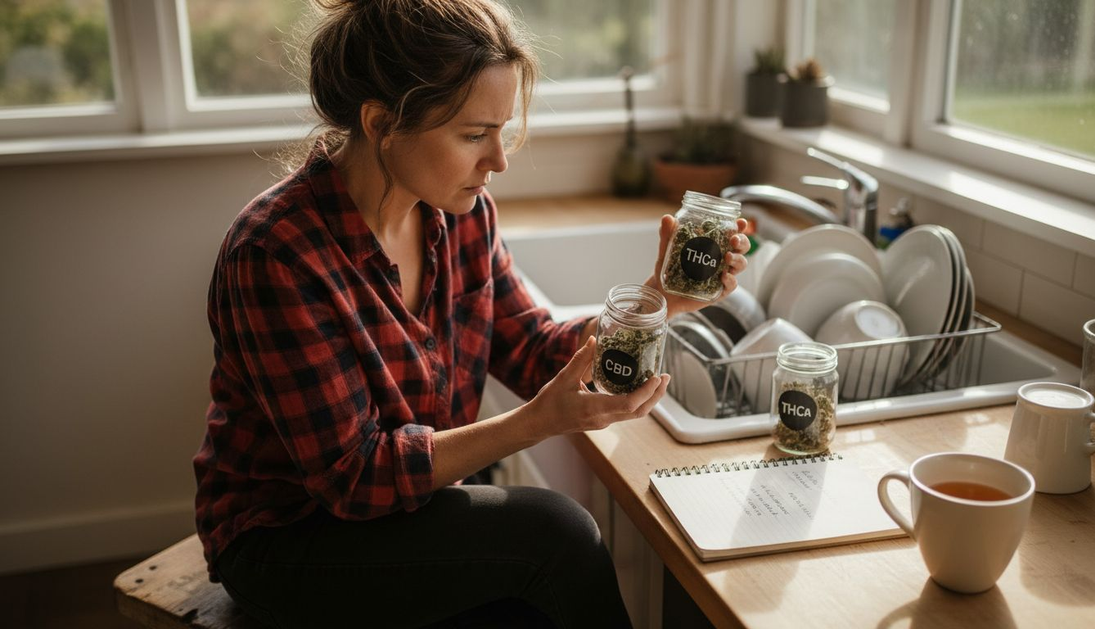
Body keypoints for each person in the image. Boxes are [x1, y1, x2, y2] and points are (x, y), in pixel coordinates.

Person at [193, 1, 750, 627]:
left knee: (533, 597)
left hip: (414, 508)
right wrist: (534, 423)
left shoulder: (462, 215)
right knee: (554, 534)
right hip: (289, 537)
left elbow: (533, 347)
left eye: (501, 131)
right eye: (473, 135)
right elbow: (353, 479)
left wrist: (659, 300)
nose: (498, 160)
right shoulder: (276, 252)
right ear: (381, 123)